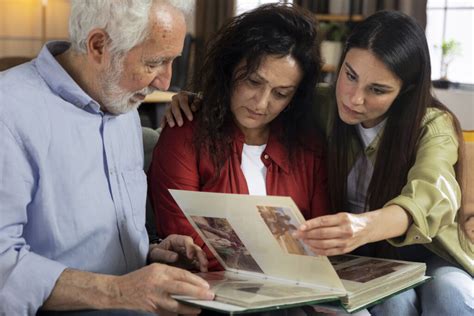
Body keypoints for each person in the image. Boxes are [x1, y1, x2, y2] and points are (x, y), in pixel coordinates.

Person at [164, 10, 473, 316]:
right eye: (350, 76)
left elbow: (432, 195)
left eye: (377, 90)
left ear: (405, 90)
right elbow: (255, 90)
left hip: (429, 250)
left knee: (449, 294)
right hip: (358, 256)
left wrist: (363, 226)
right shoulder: (321, 105)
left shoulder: (432, 125)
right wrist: (195, 98)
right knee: (395, 303)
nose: (354, 98)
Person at [0, 1, 215, 314]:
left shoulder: (121, 101)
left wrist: (148, 254)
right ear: (98, 45)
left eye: (172, 62)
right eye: (154, 63)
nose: (165, 83)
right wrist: (119, 291)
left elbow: (84, 246)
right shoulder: (8, 112)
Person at [147, 3, 330, 271]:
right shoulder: (185, 133)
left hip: (301, 291)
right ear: (230, 68)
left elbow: (322, 238)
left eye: (281, 93)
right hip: (217, 293)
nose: (262, 103)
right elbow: (186, 242)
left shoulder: (308, 145)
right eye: (254, 82)